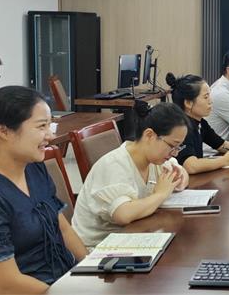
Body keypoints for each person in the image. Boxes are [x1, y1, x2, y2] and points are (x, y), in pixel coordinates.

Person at [0, 86, 86, 294]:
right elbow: (7, 285)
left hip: (60, 282)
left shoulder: (33, 168)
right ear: (4, 131)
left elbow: (63, 228)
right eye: (41, 126)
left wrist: (92, 268)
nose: (50, 136)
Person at [71, 102, 190, 248]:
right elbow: (123, 215)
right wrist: (160, 194)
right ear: (149, 135)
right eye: (172, 146)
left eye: (178, 147)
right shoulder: (115, 164)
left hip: (133, 238)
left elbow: (181, 172)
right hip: (99, 248)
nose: (175, 153)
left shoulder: (155, 159)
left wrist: (180, 177)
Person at [166, 73, 229, 174]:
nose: (211, 101)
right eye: (206, 97)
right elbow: (191, 166)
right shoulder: (181, 128)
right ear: (188, 103)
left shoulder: (200, 122)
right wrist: (225, 160)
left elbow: (221, 144)